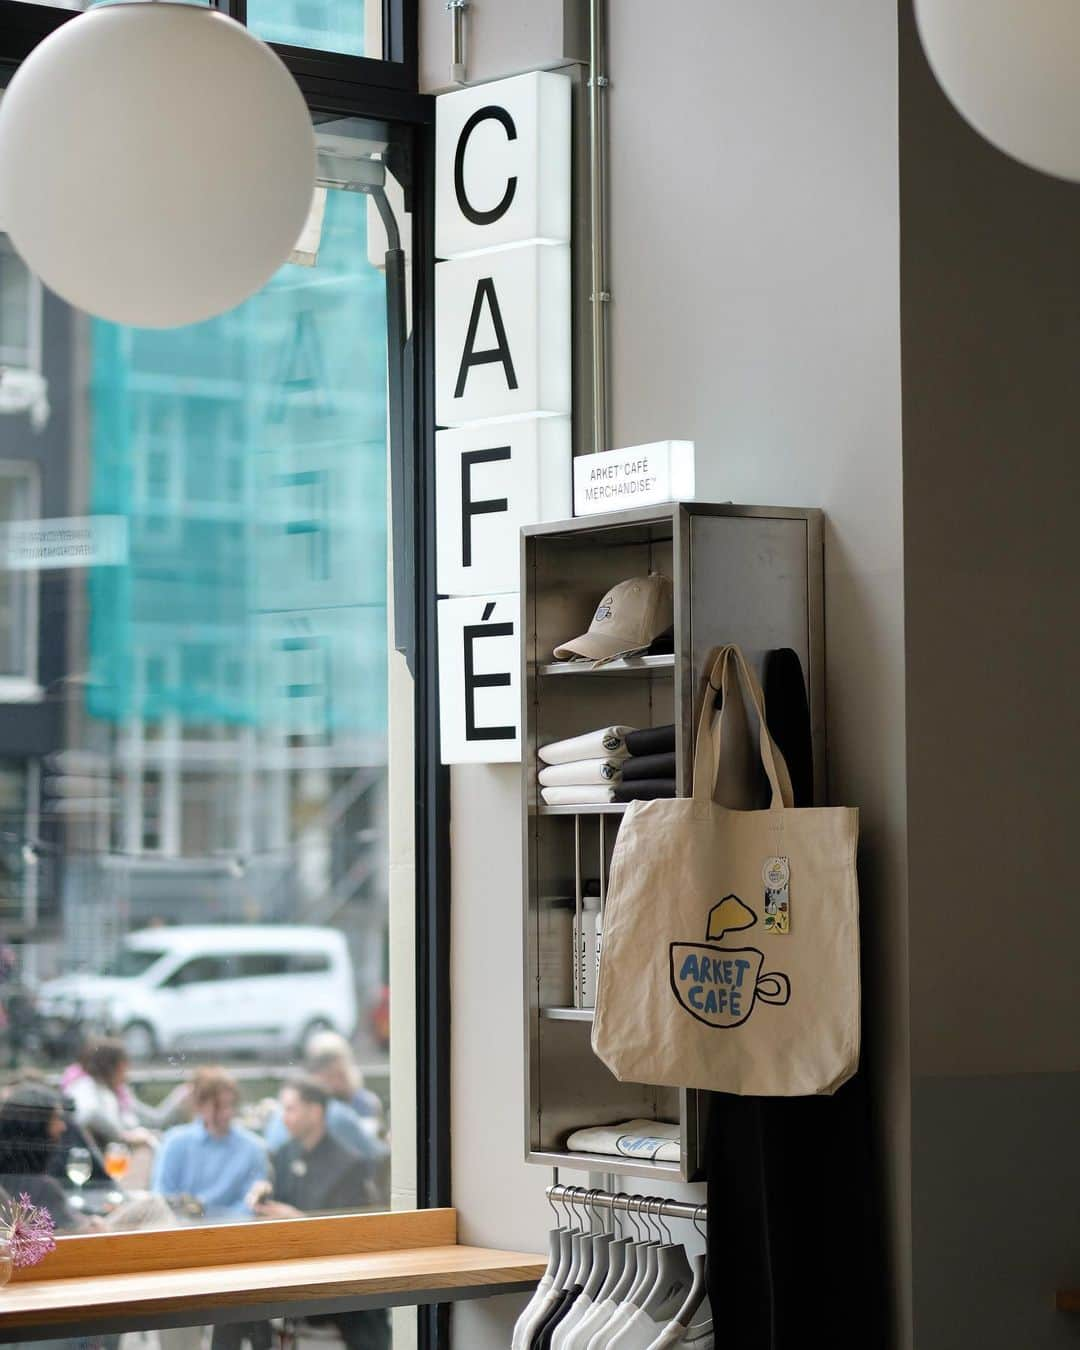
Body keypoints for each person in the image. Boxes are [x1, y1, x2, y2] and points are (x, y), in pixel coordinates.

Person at [230, 1078, 387, 1350]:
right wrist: (262, 1197)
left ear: (315, 1112)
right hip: (286, 1265)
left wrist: (298, 1220)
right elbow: (277, 1204)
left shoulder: (349, 1165)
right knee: (227, 1302)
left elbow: (353, 1237)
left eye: (290, 1109)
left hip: (329, 1276)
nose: (284, 1117)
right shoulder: (283, 1154)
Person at [152, 1067, 268, 1220]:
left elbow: (251, 1204)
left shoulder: (253, 1148)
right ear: (199, 1106)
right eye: (219, 1106)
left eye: (231, 1105)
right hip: (182, 1231)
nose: (227, 1113)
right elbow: (162, 1197)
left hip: (233, 1232)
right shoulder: (175, 1143)